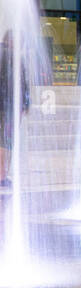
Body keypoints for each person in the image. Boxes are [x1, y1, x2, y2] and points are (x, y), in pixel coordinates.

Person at [0, 33, 31, 187]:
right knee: (6, 142)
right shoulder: (15, 58)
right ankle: (1, 176)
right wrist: (26, 104)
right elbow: (23, 83)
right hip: (9, 107)